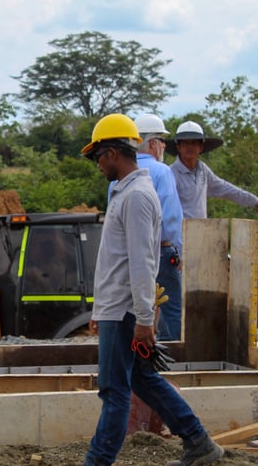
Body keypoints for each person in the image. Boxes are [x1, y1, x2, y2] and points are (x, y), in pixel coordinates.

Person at [81, 114, 223, 466]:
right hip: (118, 308)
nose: (97, 165)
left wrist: (144, 319)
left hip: (126, 311)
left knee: (114, 391)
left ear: (113, 153)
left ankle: (96, 462)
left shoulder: (138, 197)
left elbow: (145, 262)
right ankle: (198, 441)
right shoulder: (126, 192)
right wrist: (101, 309)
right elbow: (116, 260)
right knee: (143, 379)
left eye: (97, 157)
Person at [133, 113, 183, 341]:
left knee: (134, 307)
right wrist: (180, 252)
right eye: (162, 141)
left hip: (131, 253)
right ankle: (169, 357)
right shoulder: (163, 172)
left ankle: (138, 357)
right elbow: (171, 219)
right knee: (171, 306)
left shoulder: (120, 173)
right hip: (162, 252)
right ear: (152, 143)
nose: (164, 146)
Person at [166, 120, 258, 219]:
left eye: (194, 143)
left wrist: (254, 201)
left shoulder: (203, 170)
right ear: (178, 147)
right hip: (178, 233)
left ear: (201, 147)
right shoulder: (170, 173)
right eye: (185, 143)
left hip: (201, 231)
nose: (190, 147)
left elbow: (225, 188)